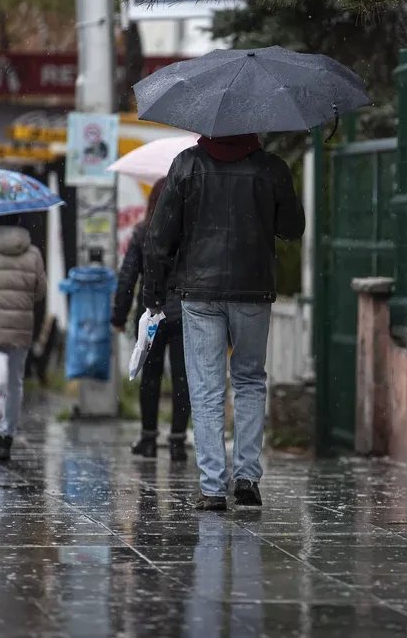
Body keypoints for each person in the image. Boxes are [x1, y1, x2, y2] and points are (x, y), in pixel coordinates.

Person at [144, 134, 304, 511]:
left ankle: (213, 486)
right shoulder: (272, 168)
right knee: (249, 378)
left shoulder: (187, 165)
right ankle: (247, 477)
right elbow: (292, 228)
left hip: (199, 291)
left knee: (206, 386)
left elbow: (159, 236)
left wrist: (153, 293)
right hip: (253, 289)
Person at [112, 178, 190, 461]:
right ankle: (177, 441)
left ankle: (148, 439)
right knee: (182, 377)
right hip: (184, 314)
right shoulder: (189, 234)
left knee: (150, 376)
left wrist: (119, 315)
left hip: (152, 314)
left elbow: (128, 277)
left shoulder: (143, 232)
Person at [0, 213, 47, 463]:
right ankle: (5, 436)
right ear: (19, 220)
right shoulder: (33, 253)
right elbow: (40, 292)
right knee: (14, 382)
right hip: (20, 327)